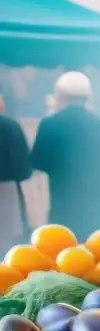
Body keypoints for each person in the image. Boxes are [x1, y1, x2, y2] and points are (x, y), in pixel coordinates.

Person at [30, 72, 100, 238]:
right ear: (88, 98)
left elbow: (37, 162)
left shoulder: (49, 124)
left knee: (66, 253)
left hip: (65, 204)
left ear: (61, 97)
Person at [0, 86, 33, 249]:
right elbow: (24, 169)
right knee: (8, 249)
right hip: (7, 194)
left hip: (7, 194)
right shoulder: (11, 126)